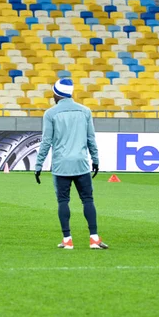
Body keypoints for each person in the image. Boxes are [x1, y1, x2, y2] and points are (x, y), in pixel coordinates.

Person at [34, 78, 107, 250]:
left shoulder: (51, 114)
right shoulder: (85, 111)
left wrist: (38, 165)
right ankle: (94, 239)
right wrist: (95, 159)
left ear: (56, 94)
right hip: (81, 164)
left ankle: (67, 240)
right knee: (88, 200)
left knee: (63, 201)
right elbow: (91, 138)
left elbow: (46, 141)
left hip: (61, 165)